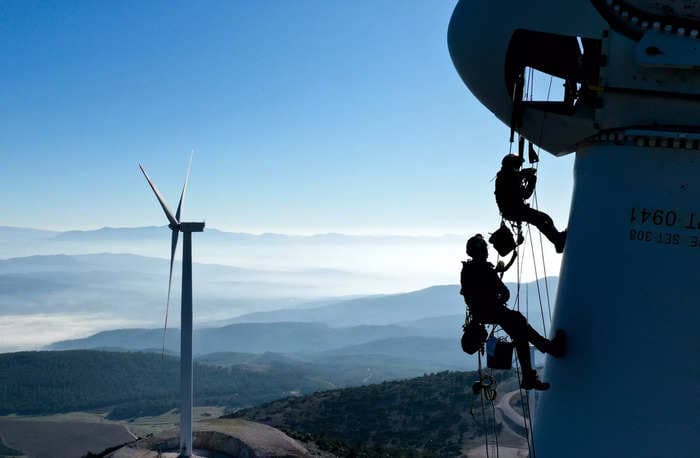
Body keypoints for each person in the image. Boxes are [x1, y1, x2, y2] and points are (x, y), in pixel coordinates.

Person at [460, 234, 565, 391]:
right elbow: (505, 293)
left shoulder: (467, 271)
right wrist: (497, 298)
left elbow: (469, 296)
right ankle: (545, 354)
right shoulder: (485, 271)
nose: (488, 251)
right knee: (519, 325)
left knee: (519, 328)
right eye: (485, 248)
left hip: (481, 314)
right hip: (492, 311)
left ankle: (543, 355)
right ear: (481, 251)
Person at [495, 154, 567, 253]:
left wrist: (528, 179)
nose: (518, 167)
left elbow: (522, 192)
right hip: (514, 210)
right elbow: (524, 193)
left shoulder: (506, 176)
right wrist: (531, 180)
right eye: (517, 165)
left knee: (542, 219)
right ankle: (558, 240)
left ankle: (557, 241)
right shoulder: (508, 176)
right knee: (543, 219)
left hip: (513, 210)